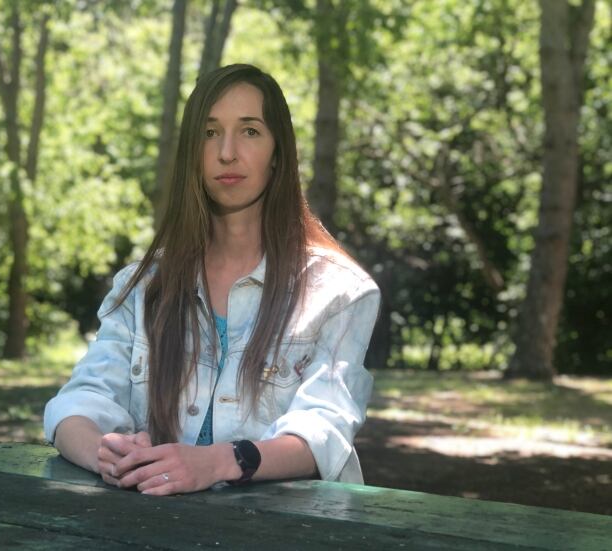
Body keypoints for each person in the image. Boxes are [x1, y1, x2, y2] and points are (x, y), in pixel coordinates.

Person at [43, 63, 380, 496]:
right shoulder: (143, 286)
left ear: (279, 152)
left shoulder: (338, 292)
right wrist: (105, 454)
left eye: (250, 131)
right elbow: (76, 404)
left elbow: (324, 431)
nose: (227, 153)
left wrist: (218, 462)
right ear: (192, 152)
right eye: (209, 133)